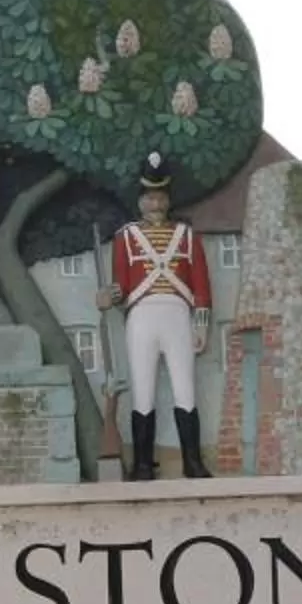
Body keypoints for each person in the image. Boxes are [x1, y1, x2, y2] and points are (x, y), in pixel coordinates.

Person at [97, 150, 214, 482]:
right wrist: (110, 295)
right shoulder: (126, 237)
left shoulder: (187, 236)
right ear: (140, 201)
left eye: (160, 196)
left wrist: (201, 324)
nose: (155, 204)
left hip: (177, 313)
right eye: (149, 197)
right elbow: (122, 283)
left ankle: (193, 461)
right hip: (142, 315)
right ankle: (143, 464)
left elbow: (201, 285)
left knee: (185, 389)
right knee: (143, 389)